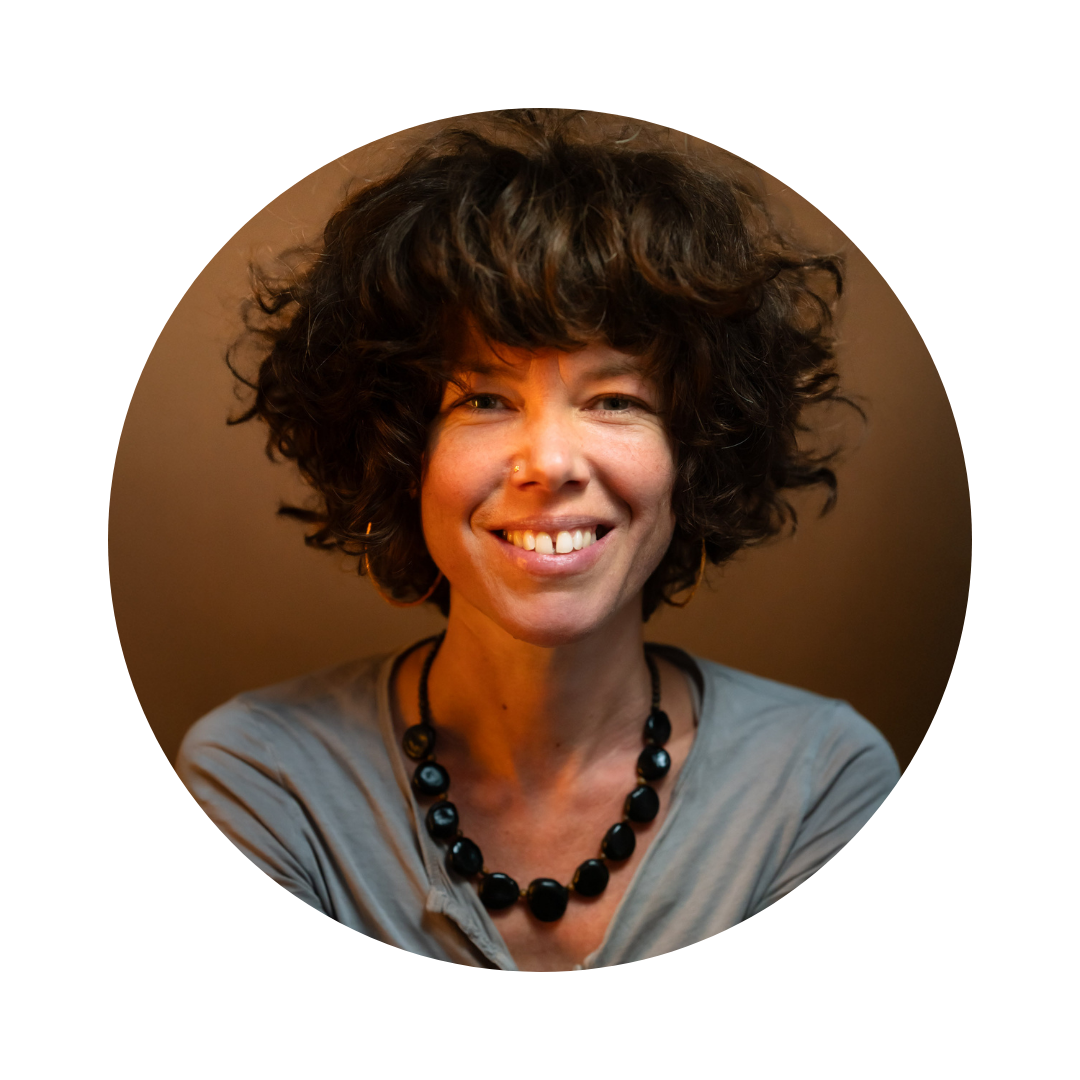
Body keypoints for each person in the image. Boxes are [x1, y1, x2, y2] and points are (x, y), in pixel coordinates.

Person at [176, 109, 901, 971]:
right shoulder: (263, 775)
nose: (550, 463)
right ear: (399, 457)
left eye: (614, 400)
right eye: (483, 399)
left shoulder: (820, 778)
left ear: (695, 457)